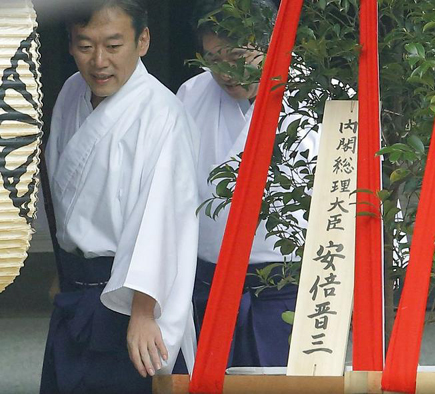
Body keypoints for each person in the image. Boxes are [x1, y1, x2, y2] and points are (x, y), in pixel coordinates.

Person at [41, 1, 200, 393]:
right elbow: (65, 192)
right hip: (77, 289)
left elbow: (161, 218)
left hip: (128, 297)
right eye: (85, 46)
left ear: (142, 40)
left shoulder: (163, 112)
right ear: (70, 45)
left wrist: (144, 311)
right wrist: (65, 269)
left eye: (113, 46)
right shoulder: (71, 93)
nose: (99, 62)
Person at [176, 0, 318, 368]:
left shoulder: (323, 97)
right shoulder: (190, 95)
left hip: (289, 291)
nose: (227, 71)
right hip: (207, 285)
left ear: (274, 41)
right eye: (214, 58)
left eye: (239, 55)